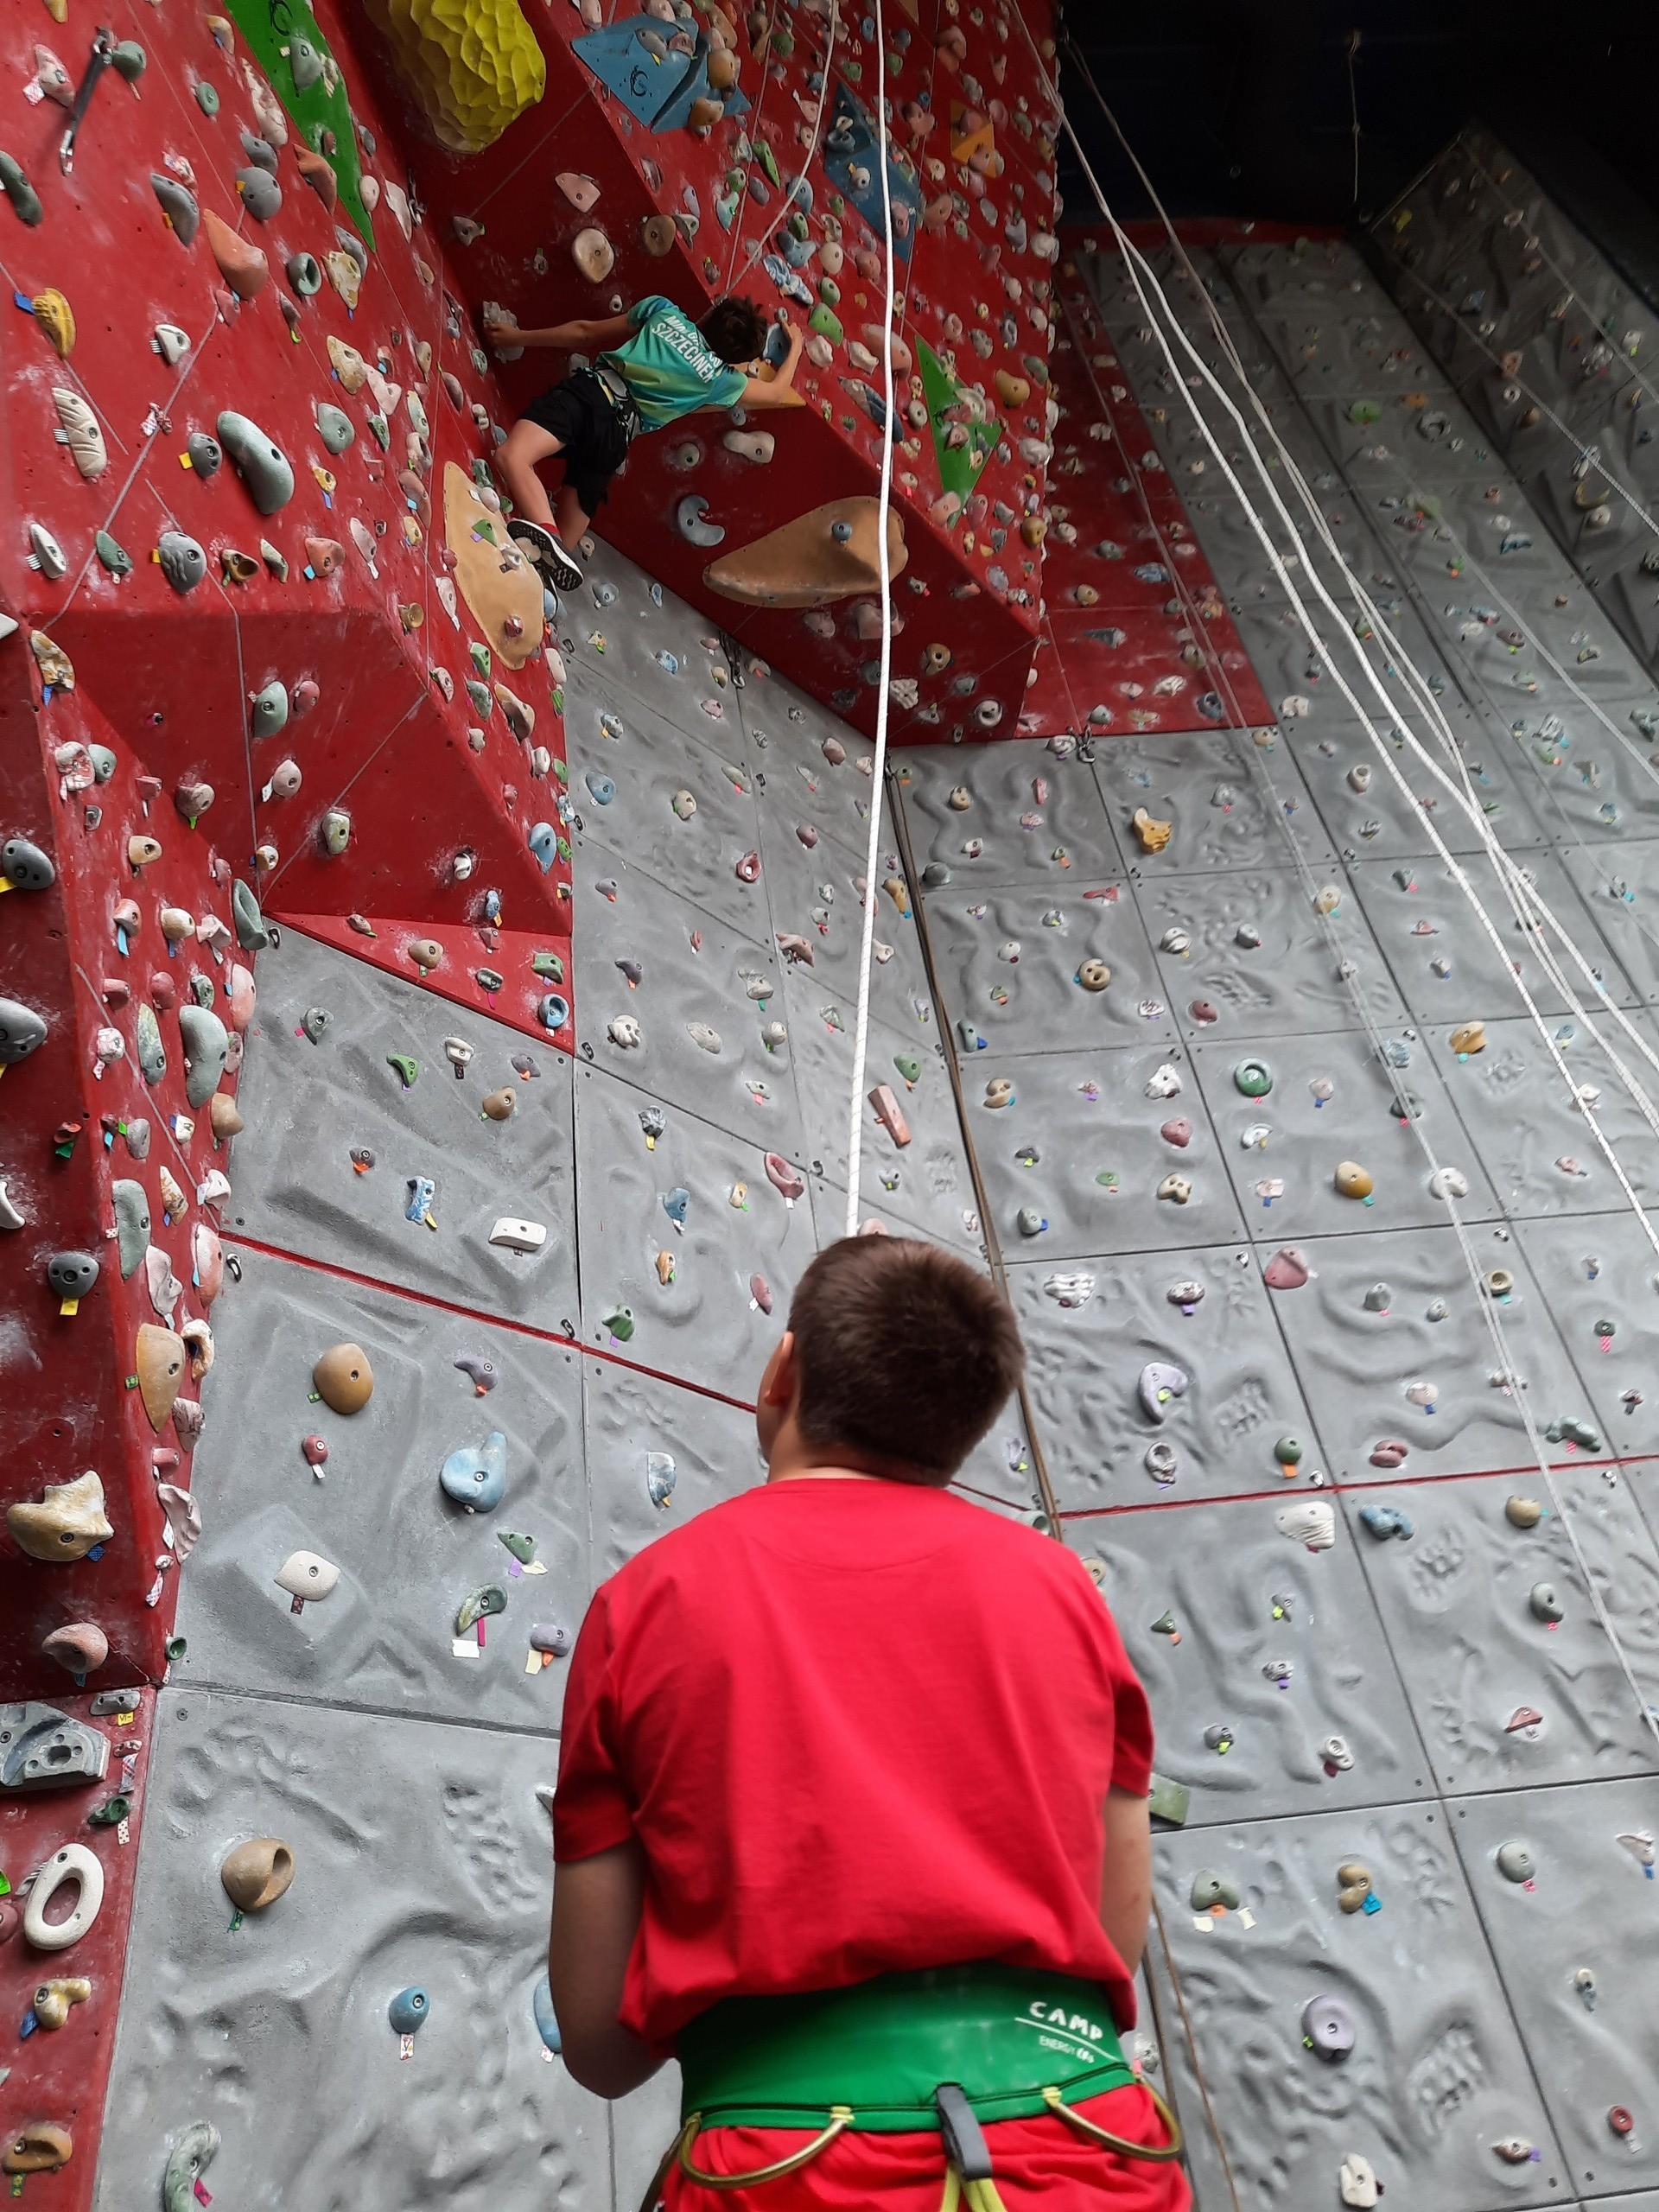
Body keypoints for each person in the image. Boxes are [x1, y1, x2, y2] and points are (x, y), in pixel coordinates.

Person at [549, 1235, 1188, 2211]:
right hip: (1086, 2157)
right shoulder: (1065, 1591)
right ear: (962, 1432)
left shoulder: (645, 1602)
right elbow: (1107, 1935)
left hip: (787, 2173)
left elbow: (600, 2043)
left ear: (782, 1371)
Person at [481, 292, 804, 592]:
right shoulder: (722, 380)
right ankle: (554, 546)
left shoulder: (663, 310)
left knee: (512, 456)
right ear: (737, 359)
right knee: (565, 543)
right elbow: (776, 393)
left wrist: (517, 337)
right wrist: (795, 350)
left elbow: (585, 332)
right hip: (615, 438)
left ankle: (548, 538)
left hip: (590, 396)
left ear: (711, 314)